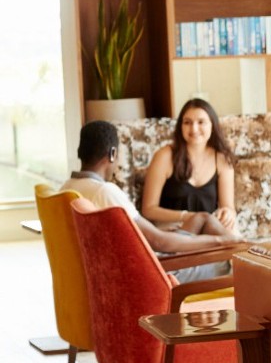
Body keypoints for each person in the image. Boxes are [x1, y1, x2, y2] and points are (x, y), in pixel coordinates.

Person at [63, 121, 242, 284]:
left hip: (132, 257)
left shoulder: (67, 188)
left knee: (202, 218)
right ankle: (244, 248)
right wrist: (221, 241)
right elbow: (158, 242)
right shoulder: (104, 191)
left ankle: (245, 246)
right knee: (226, 263)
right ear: (112, 154)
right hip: (148, 270)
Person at [141, 98, 237, 232]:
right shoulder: (164, 156)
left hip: (207, 227)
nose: (194, 128)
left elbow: (228, 206)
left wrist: (228, 213)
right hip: (171, 228)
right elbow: (148, 209)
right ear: (180, 126)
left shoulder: (222, 159)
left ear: (212, 125)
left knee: (232, 236)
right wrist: (187, 216)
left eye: (201, 122)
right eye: (187, 122)